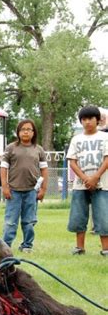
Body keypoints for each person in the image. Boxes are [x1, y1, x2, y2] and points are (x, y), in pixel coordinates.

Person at [0, 119, 48, 253]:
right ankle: (6, 247)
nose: (26, 132)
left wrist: (43, 189)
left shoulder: (38, 150)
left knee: (29, 221)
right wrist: (5, 187)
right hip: (14, 191)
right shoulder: (11, 148)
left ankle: (27, 245)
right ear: (18, 132)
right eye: (23, 129)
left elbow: (44, 170)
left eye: (29, 129)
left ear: (34, 132)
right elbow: (3, 168)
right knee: (10, 221)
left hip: (32, 191)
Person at [66, 106, 108, 256]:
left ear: (98, 120)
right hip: (80, 185)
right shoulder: (76, 139)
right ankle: (79, 247)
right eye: (84, 119)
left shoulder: (105, 137)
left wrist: (95, 177)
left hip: (102, 184)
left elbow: (107, 159)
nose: (87, 122)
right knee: (79, 216)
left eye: (90, 118)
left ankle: (105, 248)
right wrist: (85, 178)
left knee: (103, 216)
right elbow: (72, 161)